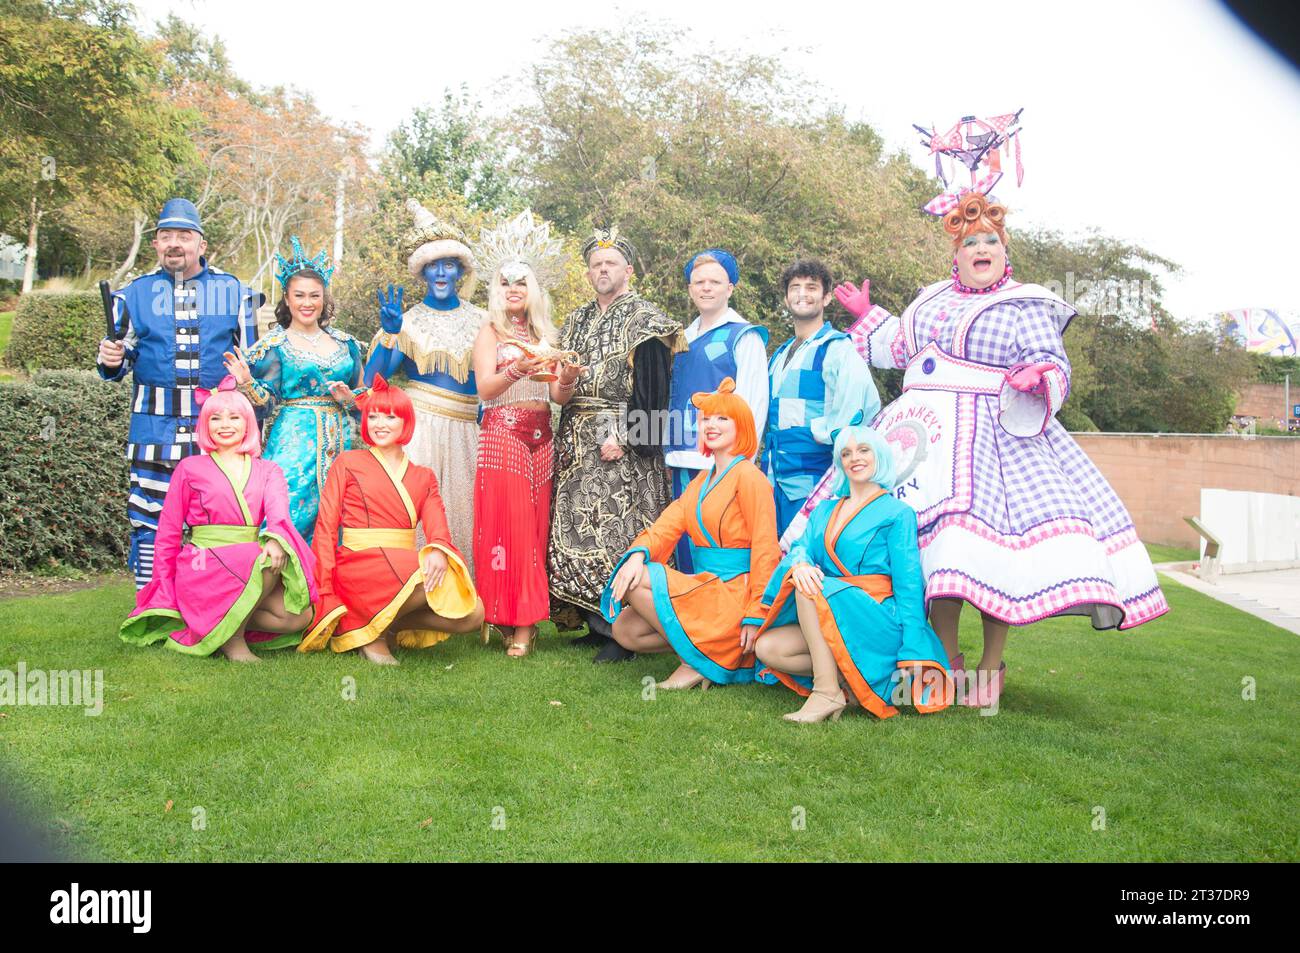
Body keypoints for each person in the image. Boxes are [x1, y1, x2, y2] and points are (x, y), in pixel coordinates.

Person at [801, 173, 1168, 707]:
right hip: (920, 435)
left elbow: (1052, 361)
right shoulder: (930, 299)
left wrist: (1037, 377)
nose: (981, 248)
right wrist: (868, 316)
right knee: (932, 555)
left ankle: (990, 666)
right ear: (956, 253)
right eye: (970, 241)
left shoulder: (1028, 303)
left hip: (995, 436)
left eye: (990, 241)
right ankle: (942, 659)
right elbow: (903, 350)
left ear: (1004, 250)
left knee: (988, 555)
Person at [95, 198, 262, 588]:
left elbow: (255, 362)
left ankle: (215, 600)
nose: (174, 243)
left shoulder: (235, 292)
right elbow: (117, 363)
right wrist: (111, 357)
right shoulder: (131, 296)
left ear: (201, 245)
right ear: (155, 244)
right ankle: (153, 602)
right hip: (153, 431)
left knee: (221, 518)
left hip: (221, 431)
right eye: (165, 236)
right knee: (150, 518)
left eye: (184, 236)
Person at [548, 226, 686, 662]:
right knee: (579, 530)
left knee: (619, 531)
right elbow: (559, 388)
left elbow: (656, 392)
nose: (602, 269)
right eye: (595, 264)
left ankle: (623, 630)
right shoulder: (575, 321)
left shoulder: (646, 320)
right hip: (576, 433)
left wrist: (627, 436)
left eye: (610, 264)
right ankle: (593, 620)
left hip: (619, 435)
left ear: (627, 270)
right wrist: (565, 385)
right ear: (588, 273)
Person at [755, 418, 951, 721]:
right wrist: (801, 562)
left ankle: (827, 692)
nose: (854, 458)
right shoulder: (824, 509)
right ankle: (851, 681)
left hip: (878, 616)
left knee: (809, 586)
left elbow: (908, 583)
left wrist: (913, 645)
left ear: (880, 457)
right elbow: (800, 547)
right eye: (846, 453)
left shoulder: (899, 513)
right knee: (768, 648)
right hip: (833, 606)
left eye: (863, 450)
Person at [119, 376, 317, 660]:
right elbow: (169, 531)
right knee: (260, 559)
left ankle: (217, 622)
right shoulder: (190, 468)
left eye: (234, 417)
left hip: (250, 557)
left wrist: (275, 538)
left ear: (248, 422)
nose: (225, 425)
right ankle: (232, 641)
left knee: (298, 617)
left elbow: (278, 512)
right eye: (216, 418)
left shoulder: (269, 470)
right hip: (203, 562)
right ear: (205, 425)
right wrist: (163, 582)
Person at [602, 378, 780, 688]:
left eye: (722, 418)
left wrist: (756, 612)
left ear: (742, 426)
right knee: (625, 630)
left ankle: (696, 662)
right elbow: (664, 529)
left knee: (639, 581)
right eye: (706, 419)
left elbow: (766, 549)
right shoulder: (700, 482)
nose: (711, 425)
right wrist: (637, 554)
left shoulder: (750, 477)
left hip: (736, 594)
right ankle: (712, 650)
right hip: (706, 589)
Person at [302, 375, 485, 664]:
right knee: (421, 576)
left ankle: (383, 624)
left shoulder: (423, 476)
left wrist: (437, 548)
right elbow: (325, 528)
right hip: (357, 563)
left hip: (402, 565)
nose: (379, 424)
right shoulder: (348, 463)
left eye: (390, 416)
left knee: (474, 613)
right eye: (373, 416)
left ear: (406, 422)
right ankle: (371, 636)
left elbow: (438, 526)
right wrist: (324, 587)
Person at [471, 211, 578, 657]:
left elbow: (557, 396)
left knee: (535, 529)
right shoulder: (489, 332)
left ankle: (526, 618)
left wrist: (567, 376)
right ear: (497, 290)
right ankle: (512, 620)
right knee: (508, 529)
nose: (513, 289)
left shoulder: (546, 333)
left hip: (542, 434)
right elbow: (483, 388)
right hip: (504, 433)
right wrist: (517, 367)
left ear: (533, 290)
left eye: (521, 282)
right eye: (505, 282)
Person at [366, 200, 486, 571]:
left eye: (447, 264)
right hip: (423, 427)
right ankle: (412, 591)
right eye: (433, 265)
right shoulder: (408, 320)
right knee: (417, 507)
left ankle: (463, 593)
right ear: (422, 272)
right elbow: (373, 382)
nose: (440, 272)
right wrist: (389, 333)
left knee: (465, 508)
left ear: (459, 271)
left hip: (470, 429)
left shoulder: (483, 320)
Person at [224, 238, 363, 543]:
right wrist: (247, 382)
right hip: (292, 442)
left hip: (340, 443)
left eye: (315, 295)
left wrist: (350, 399)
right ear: (287, 299)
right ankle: (278, 587)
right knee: (286, 516)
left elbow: (363, 400)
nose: (307, 303)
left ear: (324, 299)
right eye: (299, 295)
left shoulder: (346, 344)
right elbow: (265, 405)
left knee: (338, 519)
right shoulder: (273, 346)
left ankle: (325, 589)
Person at [664, 249, 769, 573]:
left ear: (730, 288)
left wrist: (740, 464)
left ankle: (725, 622)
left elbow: (753, 405)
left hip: (722, 465)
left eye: (715, 281)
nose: (706, 288)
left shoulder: (744, 335)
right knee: (684, 554)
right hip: (680, 459)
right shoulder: (680, 337)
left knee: (719, 552)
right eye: (699, 282)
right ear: (690, 288)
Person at [764, 258, 880, 537]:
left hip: (815, 479)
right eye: (795, 287)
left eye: (811, 287)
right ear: (786, 297)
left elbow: (860, 407)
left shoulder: (837, 348)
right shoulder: (779, 354)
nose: (802, 294)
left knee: (809, 563)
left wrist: (821, 435)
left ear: (826, 297)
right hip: (774, 479)